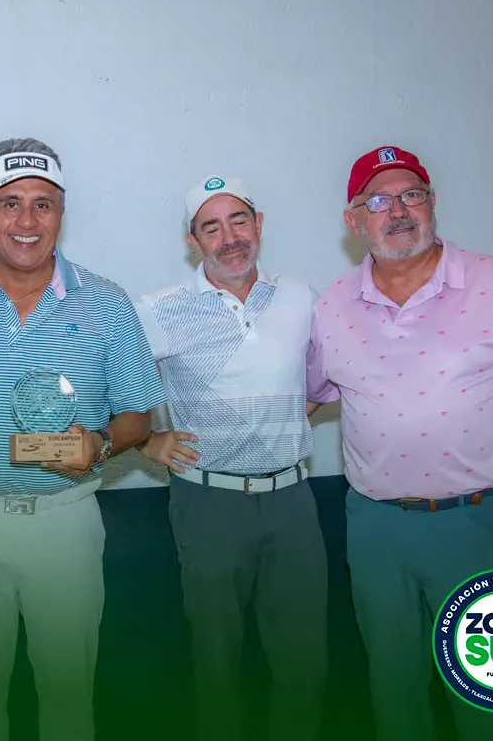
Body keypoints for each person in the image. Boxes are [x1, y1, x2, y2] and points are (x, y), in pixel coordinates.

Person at [306, 145, 493, 741]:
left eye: (412, 194)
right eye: (379, 201)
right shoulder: (332, 305)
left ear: (432, 203)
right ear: (354, 220)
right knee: (393, 691)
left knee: (491, 698)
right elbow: (304, 399)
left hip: (478, 527)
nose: (398, 210)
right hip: (375, 531)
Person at [0, 138, 167, 741]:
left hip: (65, 520)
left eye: (42, 204)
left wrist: (100, 445)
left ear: (61, 213)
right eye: (9, 203)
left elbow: (138, 417)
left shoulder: (106, 301)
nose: (26, 221)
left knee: (67, 696)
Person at [134, 175, 327, 741]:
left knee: (304, 661)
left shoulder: (300, 296)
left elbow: (325, 376)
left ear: (258, 224)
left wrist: (283, 416)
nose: (229, 238)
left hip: (293, 501)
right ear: (193, 240)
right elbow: (112, 386)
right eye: (211, 227)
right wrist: (147, 442)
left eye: (239, 220)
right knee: (217, 662)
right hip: (208, 503)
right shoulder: (159, 309)